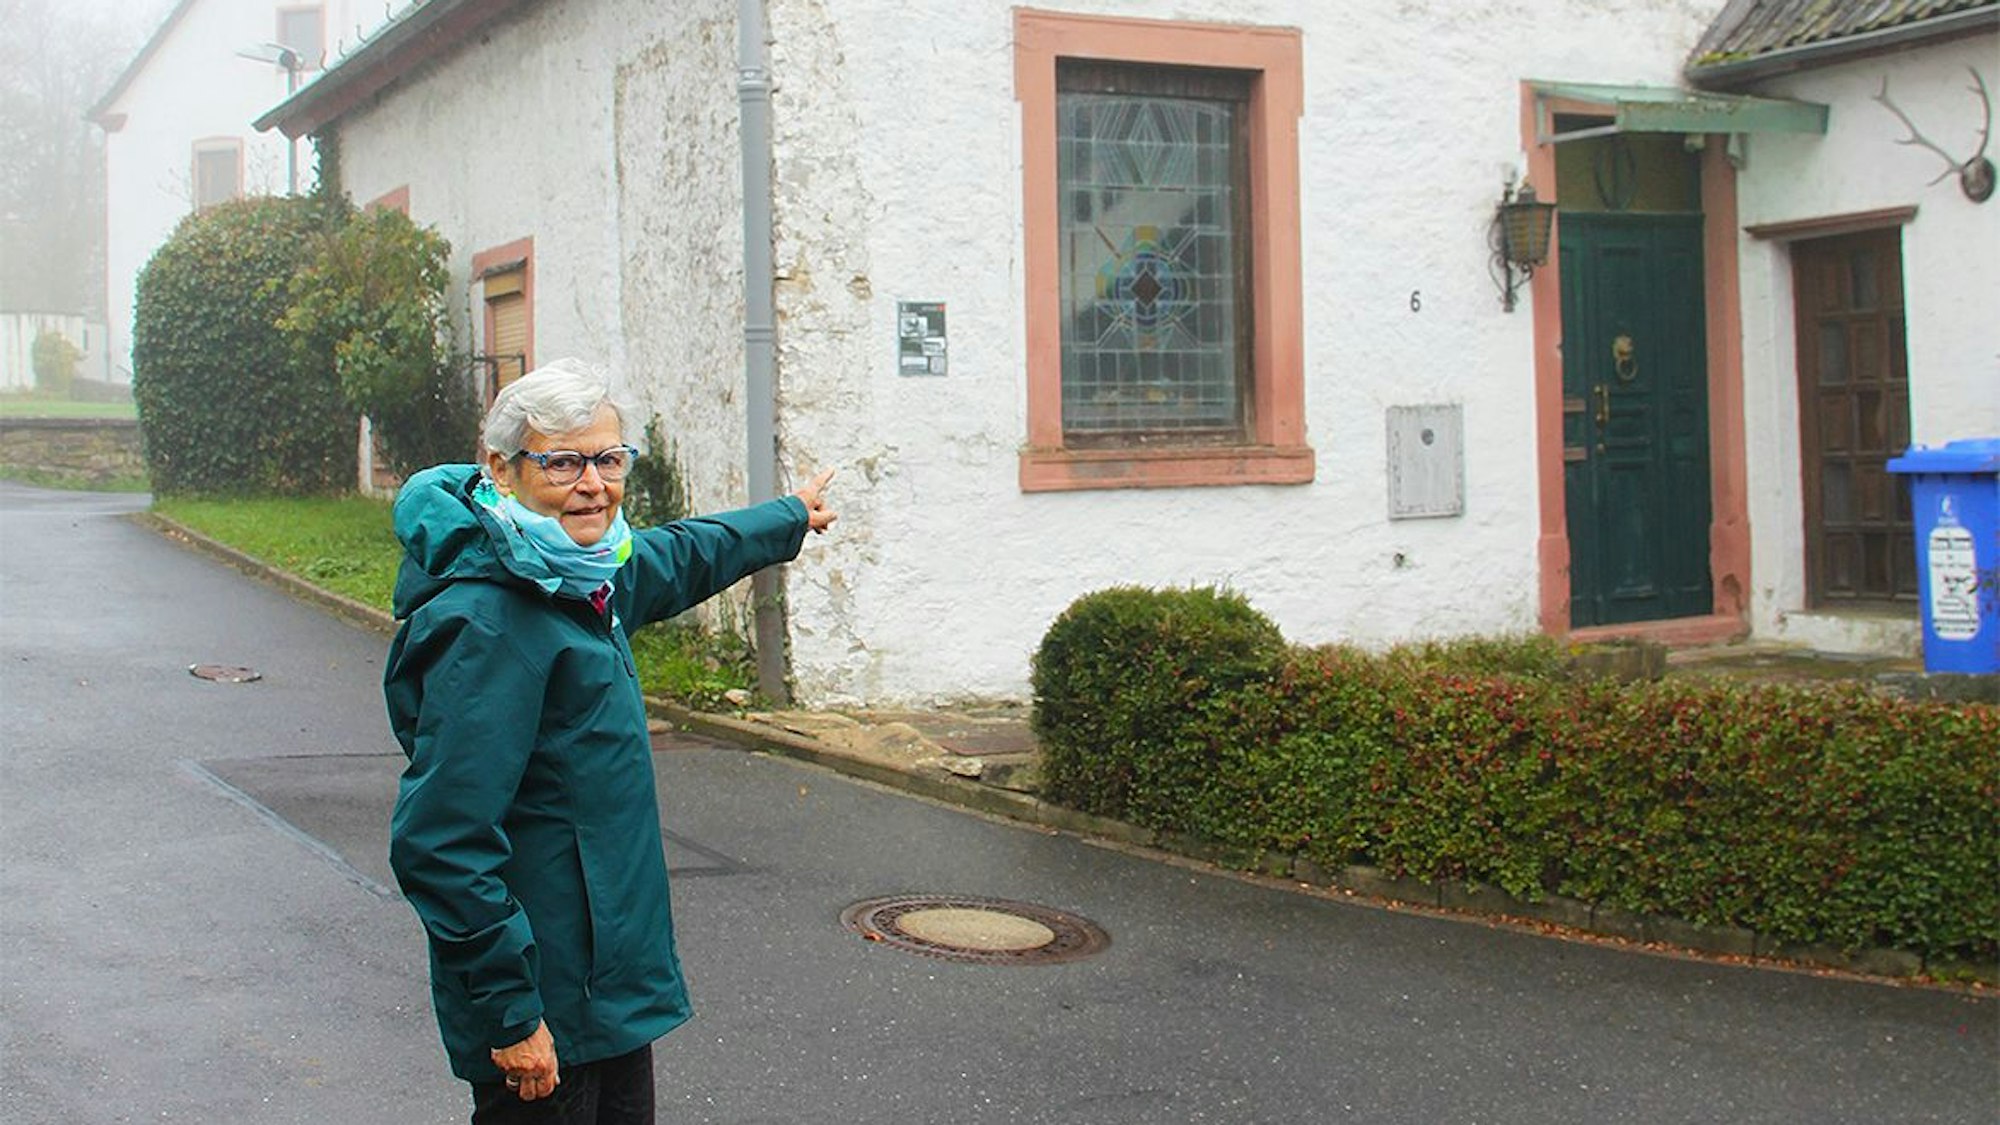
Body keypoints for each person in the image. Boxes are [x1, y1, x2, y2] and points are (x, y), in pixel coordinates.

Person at [383, 358, 835, 1124]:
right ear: (501, 468)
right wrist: (513, 1013)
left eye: (607, 458)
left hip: (604, 987)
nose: (592, 482)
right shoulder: (492, 621)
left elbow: (677, 556)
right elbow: (441, 841)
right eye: (561, 461)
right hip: (546, 1001)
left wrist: (785, 518)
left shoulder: (575, 572)